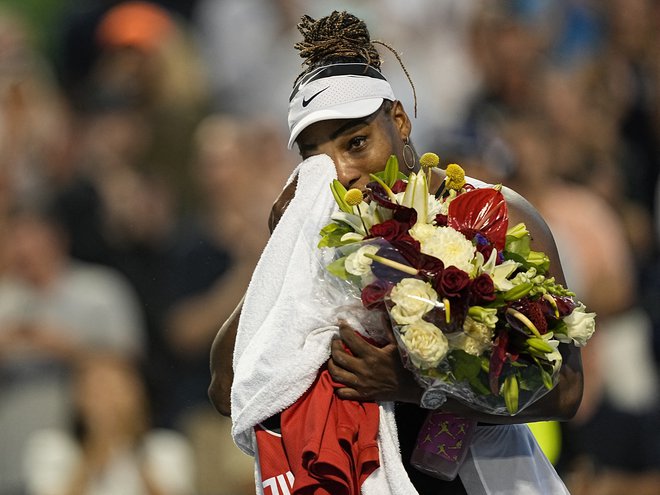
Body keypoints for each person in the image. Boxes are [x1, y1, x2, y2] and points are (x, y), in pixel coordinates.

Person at [208, 11, 583, 494]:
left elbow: (567, 392)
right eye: (318, 159)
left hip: (495, 481)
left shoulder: (501, 216)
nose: (343, 172)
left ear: (400, 121)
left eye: (357, 143)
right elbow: (226, 389)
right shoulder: (320, 246)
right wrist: (281, 250)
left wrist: (414, 387)